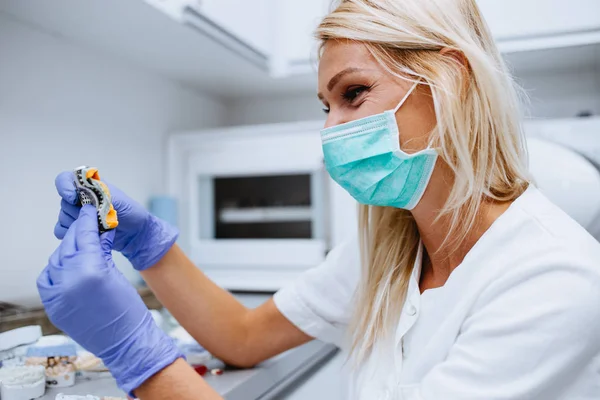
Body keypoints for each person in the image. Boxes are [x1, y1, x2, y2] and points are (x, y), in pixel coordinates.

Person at [39, 0, 600, 399]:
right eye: (325, 106)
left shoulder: (553, 279)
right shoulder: (392, 246)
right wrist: (149, 246)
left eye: (353, 94)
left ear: (452, 81)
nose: (332, 130)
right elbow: (243, 336)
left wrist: (138, 357)